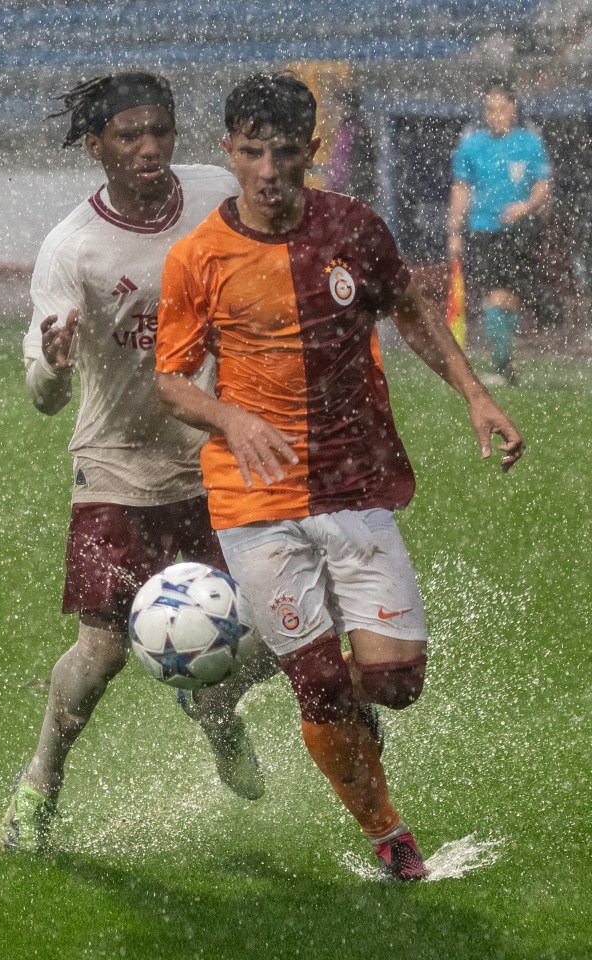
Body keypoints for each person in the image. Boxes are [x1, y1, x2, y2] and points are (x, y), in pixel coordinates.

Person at [154, 73, 525, 881]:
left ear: (312, 152)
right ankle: (389, 835)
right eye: (251, 153)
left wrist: (474, 395)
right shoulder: (198, 258)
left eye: (286, 152)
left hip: (354, 482)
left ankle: (249, 665)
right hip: (253, 498)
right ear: (229, 151)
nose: (268, 171)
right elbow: (172, 379)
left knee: (393, 684)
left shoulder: (354, 229)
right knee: (322, 684)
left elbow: (413, 310)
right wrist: (233, 419)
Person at [0, 71, 280, 855]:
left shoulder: (217, 193)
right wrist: (55, 360)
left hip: (219, 454)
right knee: (104, 651)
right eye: (129, 136)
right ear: (96, 148)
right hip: (118, 467)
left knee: (286, 627)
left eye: (160, 130)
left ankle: (217, 708)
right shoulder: (72, 248)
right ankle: (40, 781)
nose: (150, 148)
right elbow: (42, 397)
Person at [448, 79, 552, 385]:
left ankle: (503, 366)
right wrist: (454, 230)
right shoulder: (472, 146)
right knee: (493, 295)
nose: (495, 115)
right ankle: (502, 366)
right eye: (489, 109)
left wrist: (524, 206)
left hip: (520, 230)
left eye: (500, 108)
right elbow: (461, 188)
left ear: (513, 110)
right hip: (482, 229)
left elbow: (543, 187)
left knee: (508, 297)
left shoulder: (530, 144)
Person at [325, 87, 378, 207]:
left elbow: (348, 169)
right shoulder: (348, 130)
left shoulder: (353, 132)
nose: (334, 110)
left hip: (349, 197)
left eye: (337, 106)